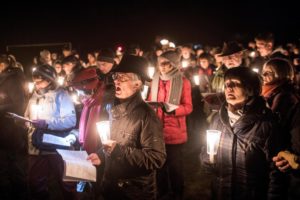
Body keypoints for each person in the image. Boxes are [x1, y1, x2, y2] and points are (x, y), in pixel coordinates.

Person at [88, 55, 166, 200]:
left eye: (123, 78)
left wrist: (118, 150)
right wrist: (101, 155)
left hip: (134, 192)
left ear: (137, 84)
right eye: (116, 76)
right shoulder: (115, 108)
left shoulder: (147, 115)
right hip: (111, 187)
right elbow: (114, 142)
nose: (117, 80)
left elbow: (156, 158)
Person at [201, 67, 285, 199]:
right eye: (226, 84)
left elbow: (276, 172)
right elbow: (207, 150)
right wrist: (207, 159)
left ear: (250, 89)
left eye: (235, 83)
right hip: (221, 192)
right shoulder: (218, 119)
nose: (229, 87)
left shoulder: (266, 124)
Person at [24, 64, 78, 200]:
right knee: (35, 184)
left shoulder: (61, 95)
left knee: (66, 184)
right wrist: (23, 121)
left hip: (57, 147)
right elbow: (27, 116)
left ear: (49, 80)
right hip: (36, 148)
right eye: (34, 80)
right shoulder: (34, 96)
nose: (36, 84)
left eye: (39, 80)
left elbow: (71, 120)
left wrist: (47, 123)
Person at [149, 50, 193, 199]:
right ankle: (161, 193)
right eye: (160, 62)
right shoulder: (155, 80)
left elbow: (188, 107)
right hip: (157, 131)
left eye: (165, 63)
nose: (161, 66)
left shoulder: (183, 82)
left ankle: (177, 193)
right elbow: (150, 100)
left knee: (175, 168)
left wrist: (173, 110)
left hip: (175, 132)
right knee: (159, 167)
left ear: (174, 64)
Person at [0, 54, 28, 199]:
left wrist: (1, 107)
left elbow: (19, 104)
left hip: (11, 128)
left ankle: (20, 191)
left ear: (3, 65)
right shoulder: (4, 78)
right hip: (3, 128)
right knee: (5, 163)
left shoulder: (13, 80)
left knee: (14, 162)